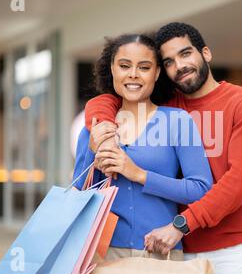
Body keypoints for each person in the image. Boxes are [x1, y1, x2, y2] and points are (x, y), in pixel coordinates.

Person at [85, 23, 242, 274]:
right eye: (169, 61)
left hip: (229, 250)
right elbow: (108, 99)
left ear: (206, 53)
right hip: (174, 248)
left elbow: (238, 184)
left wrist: (180, 225)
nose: (179, 66)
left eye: (185, 54)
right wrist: (101, 128)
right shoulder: (167, 106)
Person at [72, 33, 213, 262]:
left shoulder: (177, 121)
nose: (133, 74)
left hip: (158, 252)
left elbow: (200, 189)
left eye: (144, 67)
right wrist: (91, 150)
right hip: (101, 255)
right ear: (113, 70)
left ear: (156, 73)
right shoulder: (95, 126)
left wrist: (138, 174)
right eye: (124, 66)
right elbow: (78, 192)